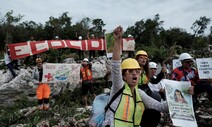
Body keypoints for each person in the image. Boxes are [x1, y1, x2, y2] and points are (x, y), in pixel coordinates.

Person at [104, 26, 169, 127]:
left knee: (154, 113)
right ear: (124, 76)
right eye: (130, 71)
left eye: (137, 71)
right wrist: (117, 41)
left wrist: (178, 99)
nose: (135, 74)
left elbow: (159, 106)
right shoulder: (118, 87)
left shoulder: (139, 93)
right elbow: (116, 66)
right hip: (114, 124)